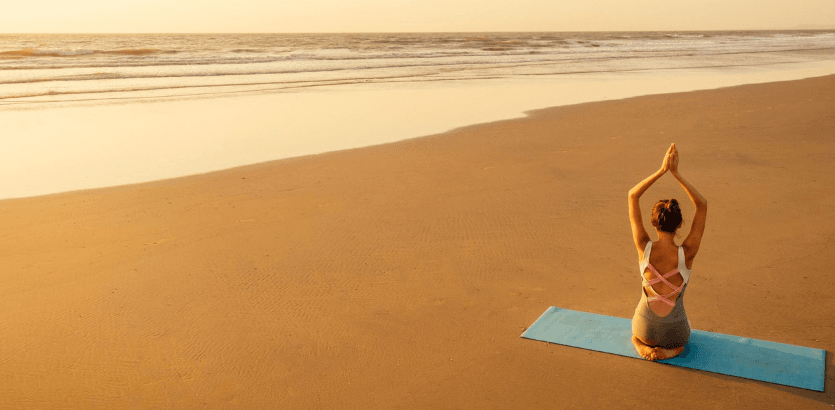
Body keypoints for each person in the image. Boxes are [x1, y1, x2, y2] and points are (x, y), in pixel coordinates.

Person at [628, 143, 707, 361]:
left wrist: (662, 170)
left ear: (654, 223)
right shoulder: (688, 252)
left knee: (635, 335)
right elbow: (702, 205)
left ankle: (641, 347)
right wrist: (676, 173)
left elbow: (632, 195)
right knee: (684, 338)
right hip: (675, 334)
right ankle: (672, 351)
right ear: (680, 224)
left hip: (645, 328)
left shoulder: (644, 246)